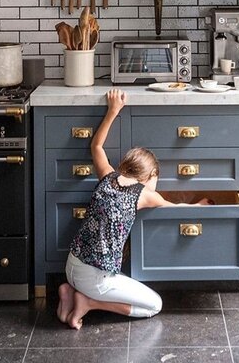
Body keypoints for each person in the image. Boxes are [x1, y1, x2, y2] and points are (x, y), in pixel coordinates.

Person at [57, 88, 209, 329]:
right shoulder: (145, 195)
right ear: (151, 175)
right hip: (96, 279)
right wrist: (200, 206)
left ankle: (69, 293)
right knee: (154, 305)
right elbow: (176, 209)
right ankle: (87, 302)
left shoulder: (107, 175)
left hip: (72, 265)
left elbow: (96, 146)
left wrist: (113, 110)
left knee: (89, 282)